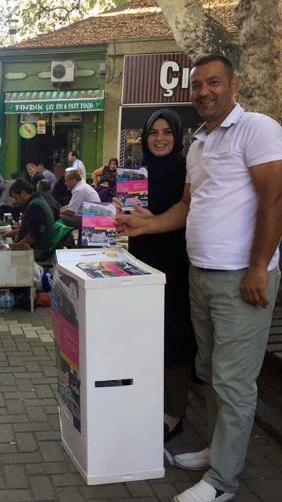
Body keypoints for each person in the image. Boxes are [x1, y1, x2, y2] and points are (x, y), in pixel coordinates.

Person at [117, 55, 282, 502]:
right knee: (209, 372)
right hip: (202, 274)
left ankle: (223, 481)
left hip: (240, 278)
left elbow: (275, 200)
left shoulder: (258, 129)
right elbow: (188, 208)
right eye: (197, 85)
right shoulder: (200, 143)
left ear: (235, 85)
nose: (204, 91)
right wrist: (143, 225)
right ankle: (218, 450)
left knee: (232, 380)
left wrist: (258, 267)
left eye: (214, 82)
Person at [122, 109, 195, 445]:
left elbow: (191, 213)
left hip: (175, 262)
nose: (160, 138)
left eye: (167, 132)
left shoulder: (187, 171)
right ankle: (147, 400)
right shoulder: (137, 170)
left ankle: (173, 414)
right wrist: (116, 218)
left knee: (173, 335)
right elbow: (126, 217)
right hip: (140, 259)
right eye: (154, 132)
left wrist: (154, 221)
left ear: (177, 136)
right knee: (143, 333)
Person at [2, 179, 55, 261]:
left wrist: (16, 247)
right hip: (38, 246)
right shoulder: (38, 200)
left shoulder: (35, 206)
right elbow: (32, 227)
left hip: (38, 250)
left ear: (23, 193)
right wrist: (10, 233)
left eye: (16, 198)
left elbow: (36, 233)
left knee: (3, 257)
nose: (16, 201)